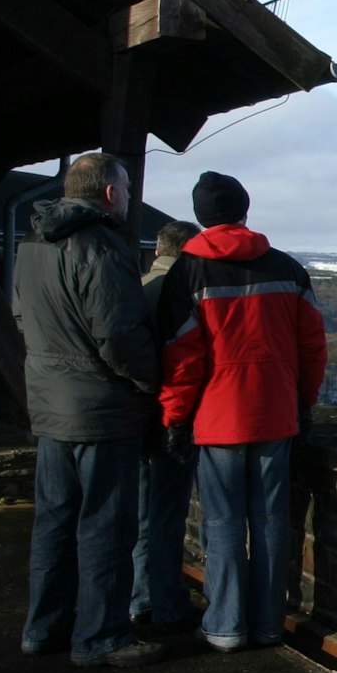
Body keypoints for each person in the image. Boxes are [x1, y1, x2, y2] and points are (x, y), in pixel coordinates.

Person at [158, 173, 327, 653]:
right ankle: (268, 624)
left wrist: (174, 415)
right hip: (275, 411)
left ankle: (226, 625)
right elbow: (312, 344)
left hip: (216, 417)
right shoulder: (288, 269)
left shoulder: (187, 272)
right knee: (272, 521)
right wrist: (305, 399)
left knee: (224, 524)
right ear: (245, 210)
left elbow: (181, 356)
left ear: (200, 216)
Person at [14, 152, 164, 667]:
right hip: (102, 411)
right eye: (124, 189)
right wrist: (151, 381)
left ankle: (43, 627)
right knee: (105, 524)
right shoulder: (100, 247)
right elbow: (119, 335)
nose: (126, 198)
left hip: (52, 406)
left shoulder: (32, 244)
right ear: (108, 193)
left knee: (54, 519)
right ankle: (101, 636)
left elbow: (20, 314)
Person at [130, 220, 201, 634]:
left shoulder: (136, 288)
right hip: (172, 415)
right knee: (167, 515)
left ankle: (138, 596)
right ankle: (164, 600)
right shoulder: (183, 295)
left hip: (134, 414)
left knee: (138, 513)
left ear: (158, 250)